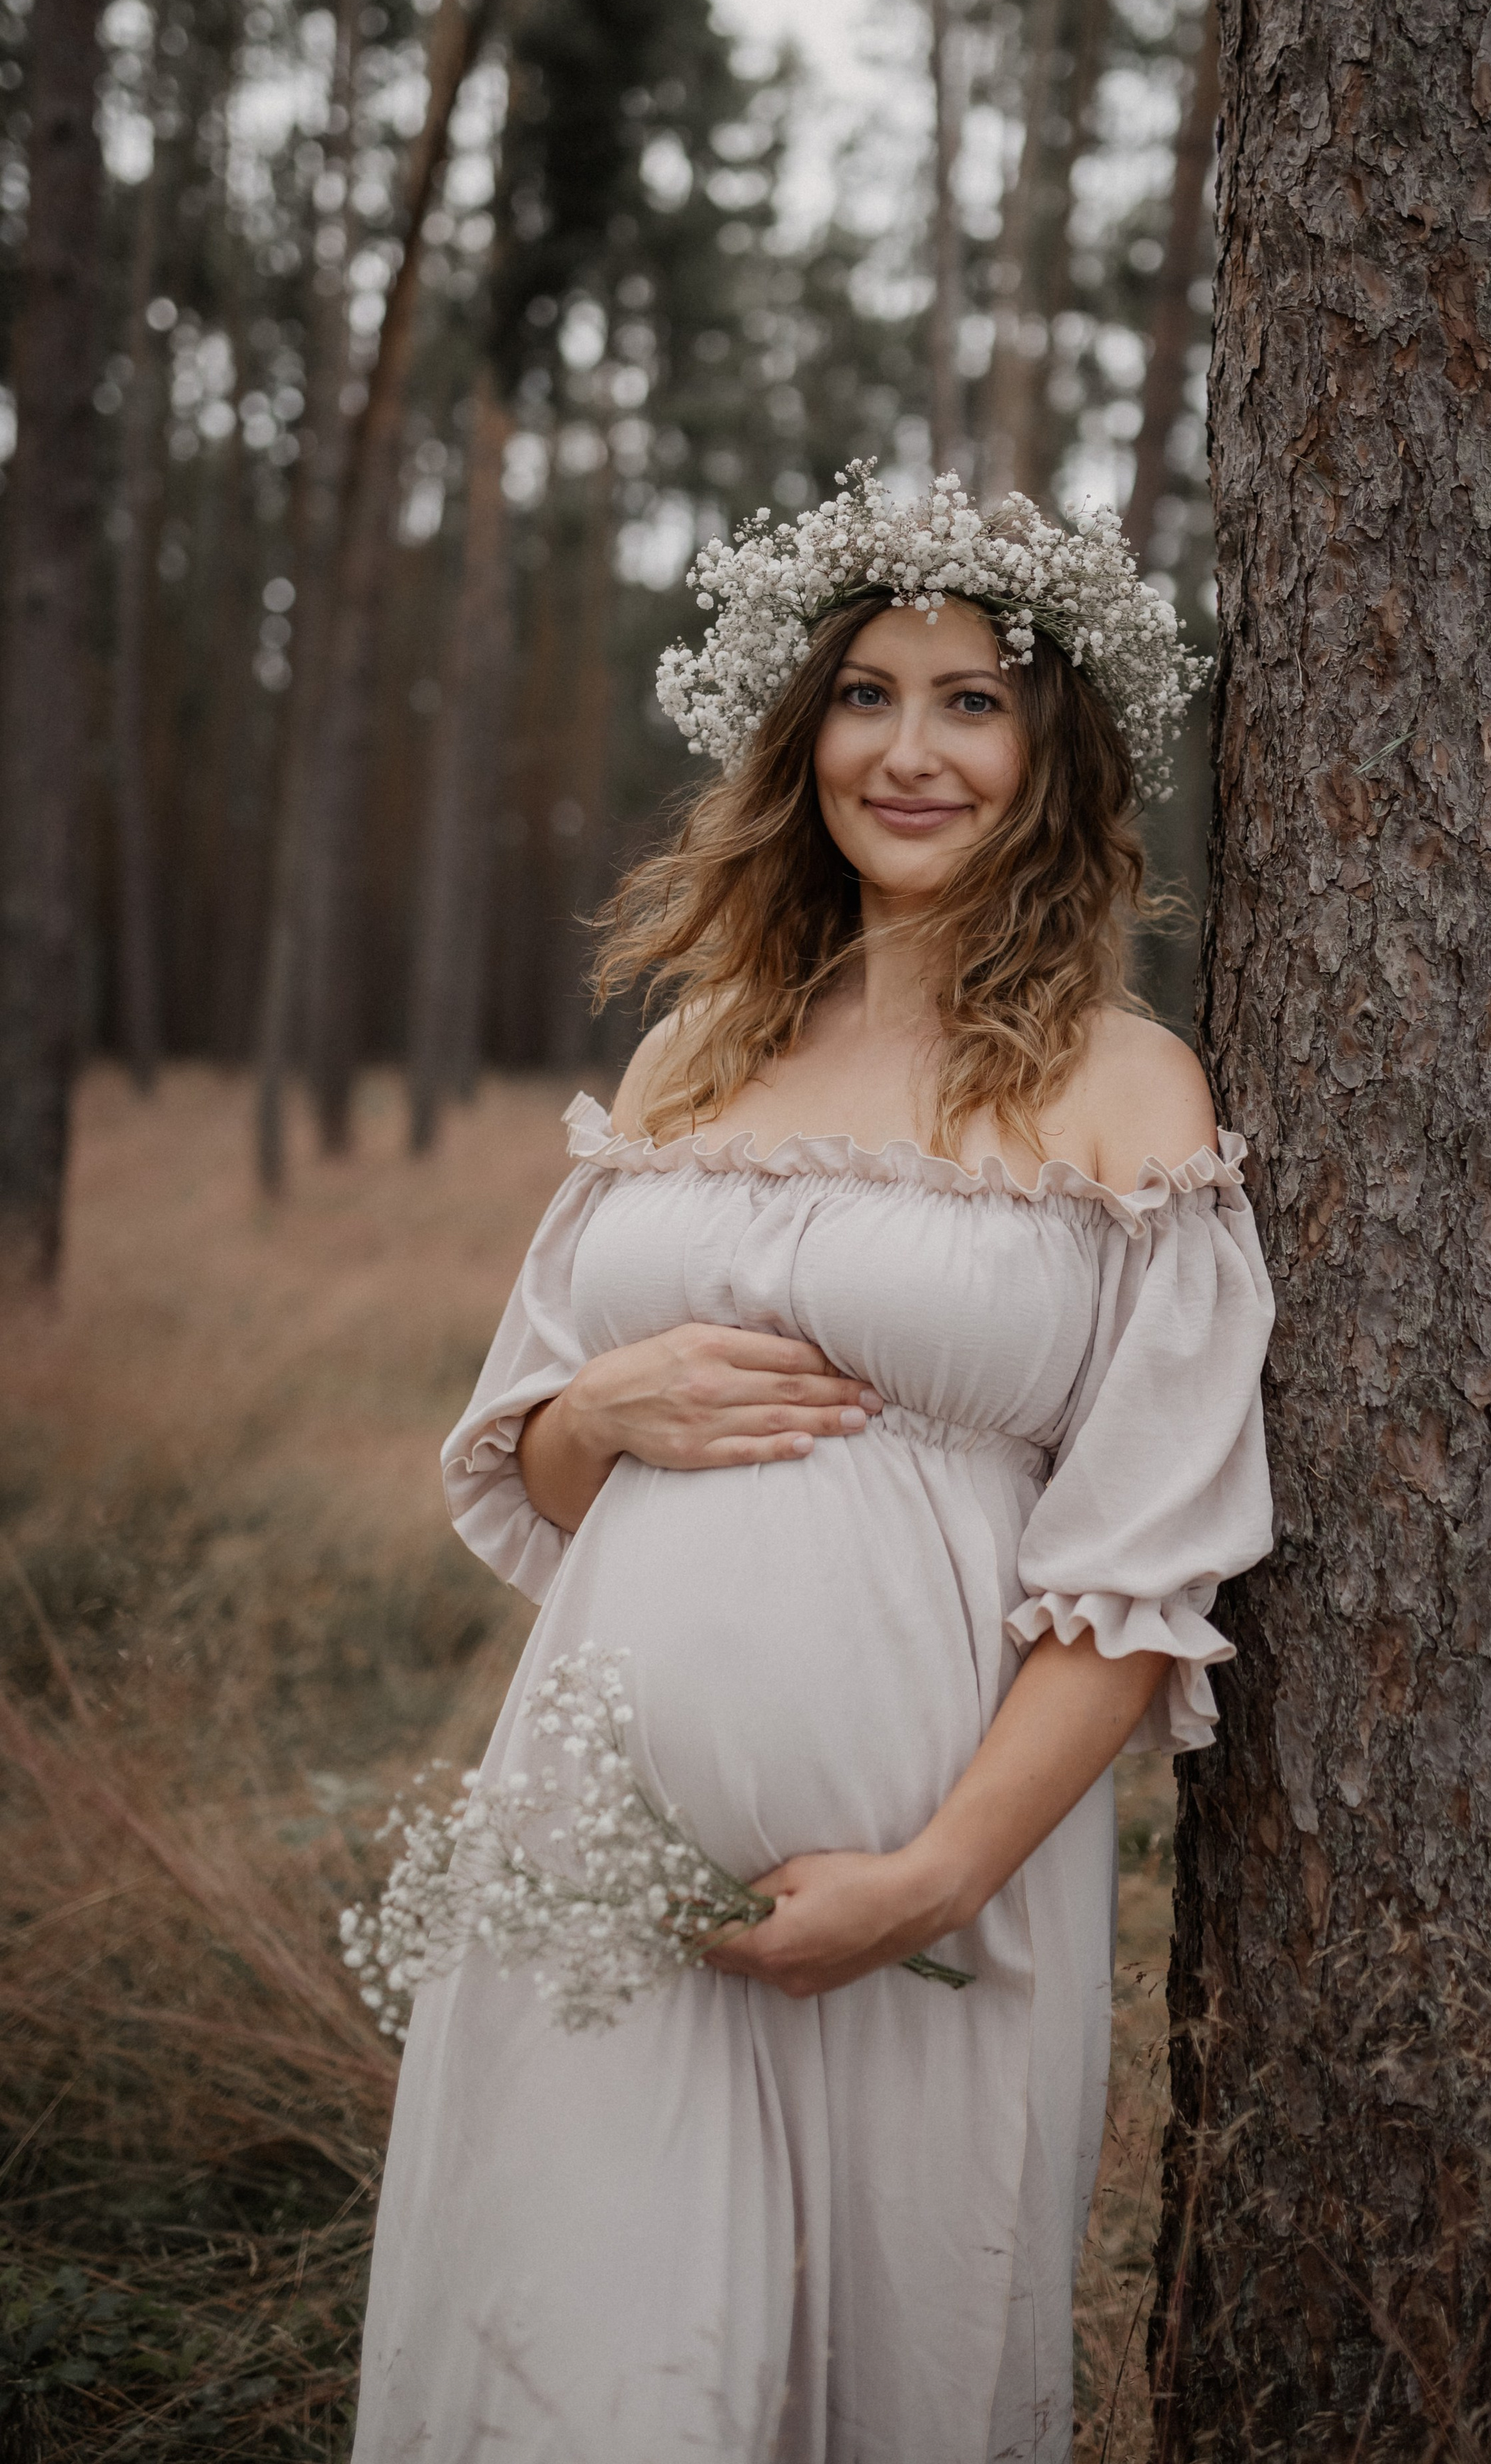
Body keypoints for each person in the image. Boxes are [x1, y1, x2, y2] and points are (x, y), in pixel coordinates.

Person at [351, 468, 1273, 2463]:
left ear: (1053, 752)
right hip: (595, 1865)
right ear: (803, 735)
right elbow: (546, 1456)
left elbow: (1144, 1569)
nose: (912, 750)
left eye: (974, 701)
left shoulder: (1126, 1087)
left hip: (921, 1914)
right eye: (868, 694)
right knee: (577, 2386)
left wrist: (929, 1875)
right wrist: (602, 1410)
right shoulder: (697, 1052)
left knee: (889, 2379)